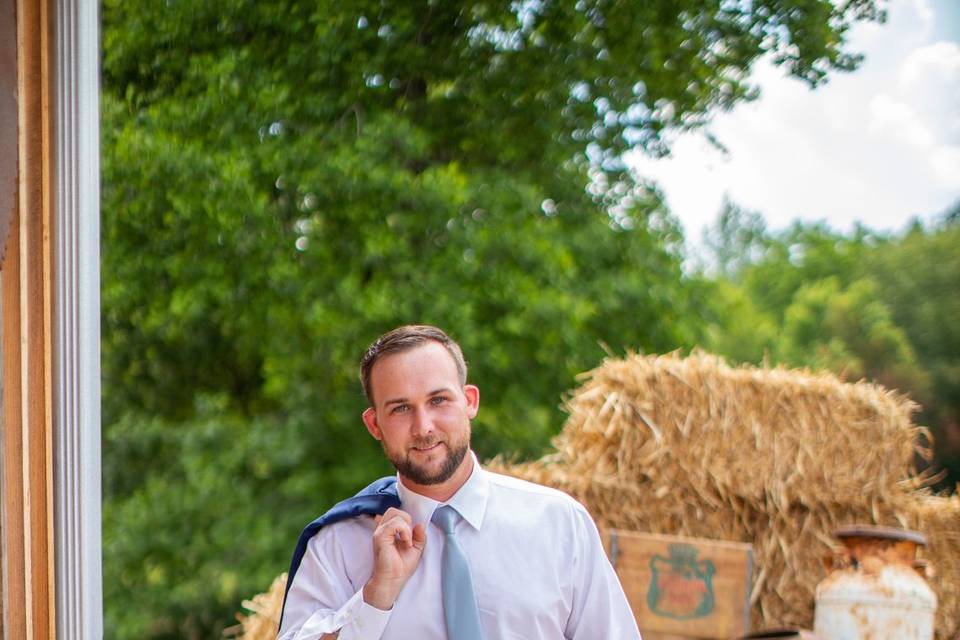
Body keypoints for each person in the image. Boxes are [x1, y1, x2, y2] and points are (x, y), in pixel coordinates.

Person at [278, 325, 641, 640]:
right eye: (401, 408)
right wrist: (375, 596)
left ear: (469, 401)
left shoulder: (559, 523)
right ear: (375, 424)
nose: (424, 427)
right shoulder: (338, 544)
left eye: (439, 400)